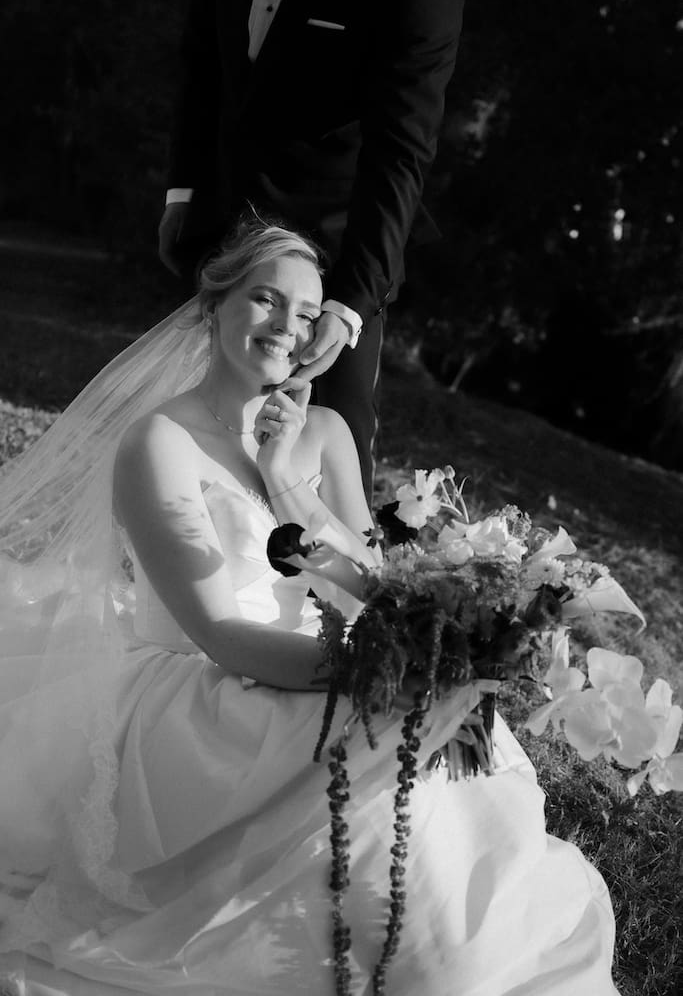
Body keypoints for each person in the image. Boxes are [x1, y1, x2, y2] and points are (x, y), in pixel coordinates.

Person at [0, 223, 621, 996]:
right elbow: (223, 636)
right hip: (211, 696)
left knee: (432, 777)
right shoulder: (159, 442)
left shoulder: (323, 434)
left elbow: (369, 588)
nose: (285, 327)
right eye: (265, 299)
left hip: (334, 668)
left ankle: (441, 956)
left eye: (305, 314)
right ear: (213, 306)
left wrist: (286, 477)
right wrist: (367, 678)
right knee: (382, 755)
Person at [158, 0, 470, 502]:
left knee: (331, 454)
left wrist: (351, 301)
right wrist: (182, 193)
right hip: (220, 230)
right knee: (188, 430)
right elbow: (204, 62)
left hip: (333, 256)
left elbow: (402, 146)